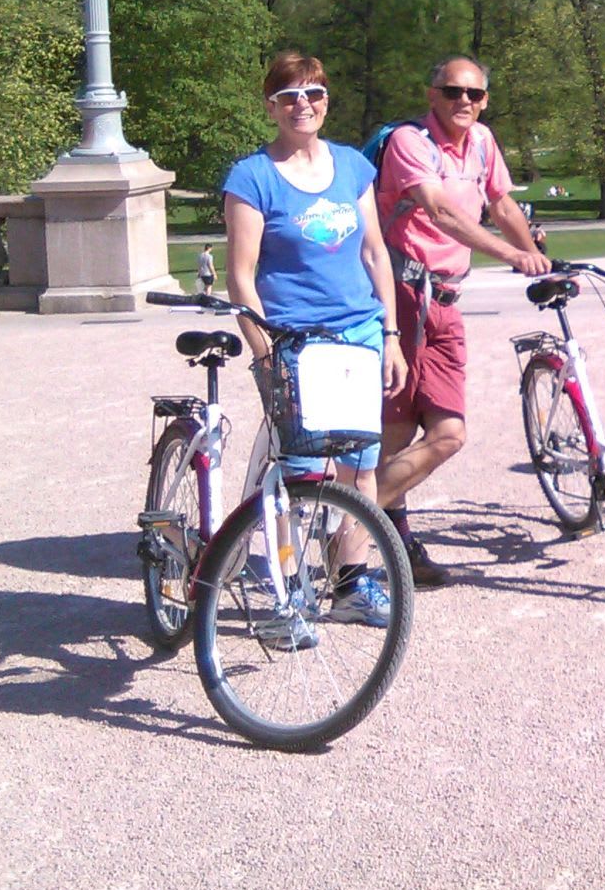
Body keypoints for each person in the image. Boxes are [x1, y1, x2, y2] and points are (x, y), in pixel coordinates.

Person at [222, 50, 407, 631]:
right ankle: (286, 594)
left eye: (315, 93)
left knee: (359, 465)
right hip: (293, 340)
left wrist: (392, 333)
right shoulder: (251, 178)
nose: (304, 104)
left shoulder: (353, 166)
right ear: (271, 106)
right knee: (297, 472)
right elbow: (242, 277)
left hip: (358, 333)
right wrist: (265, 354)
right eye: (290, 96)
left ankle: (351, 584)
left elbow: (376, 252)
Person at [375, 54, 549, 586]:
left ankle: (351, 516)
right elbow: (441, 212)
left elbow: (500, 203)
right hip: (403, 295)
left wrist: (543, 257)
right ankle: (382, 535)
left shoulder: (483, 142)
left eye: (474, 93)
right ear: (433, 95)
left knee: (448, 431)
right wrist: (511, 256)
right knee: (398, 428)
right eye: (453, 92)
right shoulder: (411, 143)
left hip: (445, 302)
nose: (464, 102)